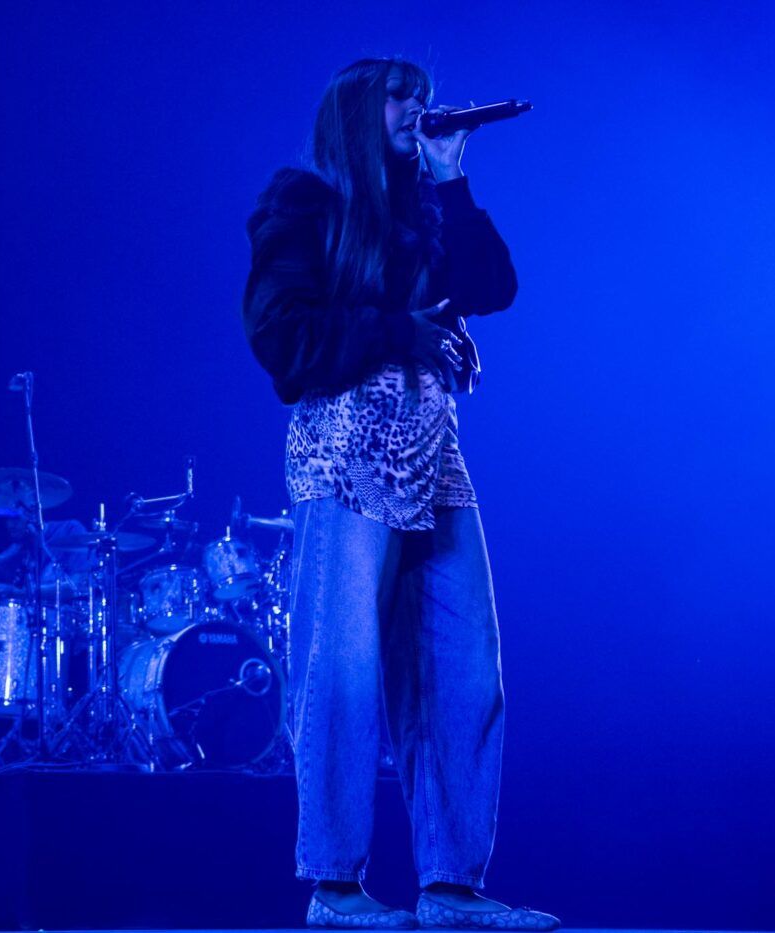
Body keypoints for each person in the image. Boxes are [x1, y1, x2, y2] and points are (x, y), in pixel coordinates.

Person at [241, 58, 559, 930]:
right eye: (401, 95)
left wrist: (452, 178)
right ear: (355, 109)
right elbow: (281, 336)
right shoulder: (303, 202)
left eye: (425, 94)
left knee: (464, 667)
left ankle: (452, 884)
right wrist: (403, 333)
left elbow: (493, 288)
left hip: (433, 455)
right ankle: (335, 887)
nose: (420, 107)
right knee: (341, 669)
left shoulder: (424, 206)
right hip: (344, 458)